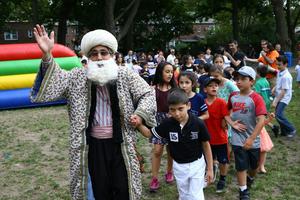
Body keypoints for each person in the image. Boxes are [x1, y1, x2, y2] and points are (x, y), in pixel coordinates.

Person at [31, 24, 157, 200]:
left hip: (121, 146)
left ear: (112, 55)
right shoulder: (76, 76)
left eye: (103, 53)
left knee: (123, 189)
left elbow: (147, 94)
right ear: (87, 57)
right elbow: (54, 83)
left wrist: (141, 114)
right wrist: (46, 55)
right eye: (93, 53)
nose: (99, 57)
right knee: (97, 190)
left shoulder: (125, 75)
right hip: (90, 147)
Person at [131, 88, 214, 200]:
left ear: (188, 105)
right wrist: (138, 124)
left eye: (180, 109)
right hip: (179, 166)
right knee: (184, 194)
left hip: (197, 165)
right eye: (172, 110)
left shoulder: (198, 123)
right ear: (169, 110)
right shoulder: (167, 124)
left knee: (196, 196)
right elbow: (149, 134)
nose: (177, 113)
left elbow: (206, 145)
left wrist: (210, 169)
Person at [228, 66, 267, 200]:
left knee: (254, 166)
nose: (238, 82)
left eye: (243, 79)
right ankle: (243, 191)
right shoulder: (233, 96)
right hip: (237, 138)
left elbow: (261, 120)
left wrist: (251, 139)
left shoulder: (256, 98)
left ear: (252, 82)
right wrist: (231, 123)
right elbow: (226, 112)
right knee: (241, 165)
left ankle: (250, 178)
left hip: (253, 139)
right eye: (237, 79)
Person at [203, 77, 246, 193]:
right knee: (207, 160)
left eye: (216, 86)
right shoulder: (202, 102)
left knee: (223, 161)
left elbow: (227, 116)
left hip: (220, 138)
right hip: (206, 140)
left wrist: (232, 124)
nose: (214, 87)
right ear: (205, 89)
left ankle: (222, 178)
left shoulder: (222, 102)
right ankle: (208, 176)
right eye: (211, 85)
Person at [149, 62, 177, 192]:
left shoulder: (175, 90)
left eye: (171, 72)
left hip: (172, 122)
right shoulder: (152, 89)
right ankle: (154, 178)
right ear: (160, 72)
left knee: (171, 150)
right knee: (157, 151)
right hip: (158, 123)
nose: (170, 74)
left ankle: (169, 171)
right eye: (167, 71)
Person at [254, 66, 275, 173]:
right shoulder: (266, 81)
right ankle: (260, 166)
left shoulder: (257, 83)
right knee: (261, 148)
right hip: (265, 105)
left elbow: (257, 96)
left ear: (257, 73)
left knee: (261, 146)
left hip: (260, 109)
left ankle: (259, 166)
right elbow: (269, 93)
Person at [272, 55, 296, 138]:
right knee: (279, 114)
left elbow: (284, 91)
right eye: (277, 64)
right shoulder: (280, 72)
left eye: (279, 65)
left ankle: (291, 129)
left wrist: (275, 101)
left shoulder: (287, 76)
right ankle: (284, 132)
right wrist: (274, 88)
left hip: (284, 97)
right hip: (279, 95)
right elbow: (279, 83)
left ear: (285, 64)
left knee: (278, 114)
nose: (278, 66)